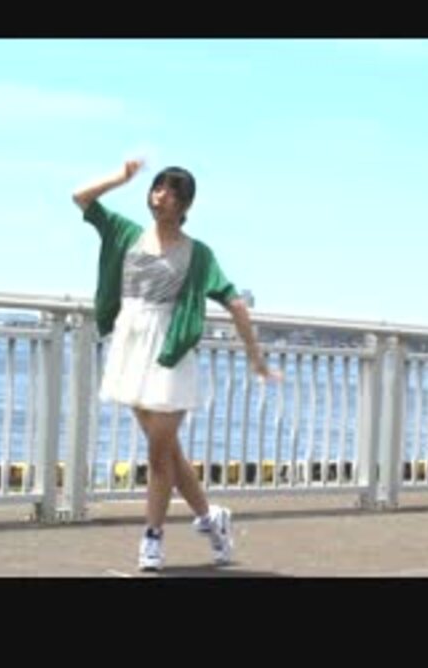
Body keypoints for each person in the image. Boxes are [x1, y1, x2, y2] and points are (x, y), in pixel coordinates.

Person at [73, 158, 280, 572]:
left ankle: (152, 538)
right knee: (167, 451)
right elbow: (81, 198)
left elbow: (235, 302)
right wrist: (121, 177)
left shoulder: (197, 254)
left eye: (171, 191)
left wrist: (256, 358)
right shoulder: (125, 233)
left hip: (170, 353)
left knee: (158, 454)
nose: (160, 196)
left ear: (185, 204)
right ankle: (211, 519)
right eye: (157, 188)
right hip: (131, 351)